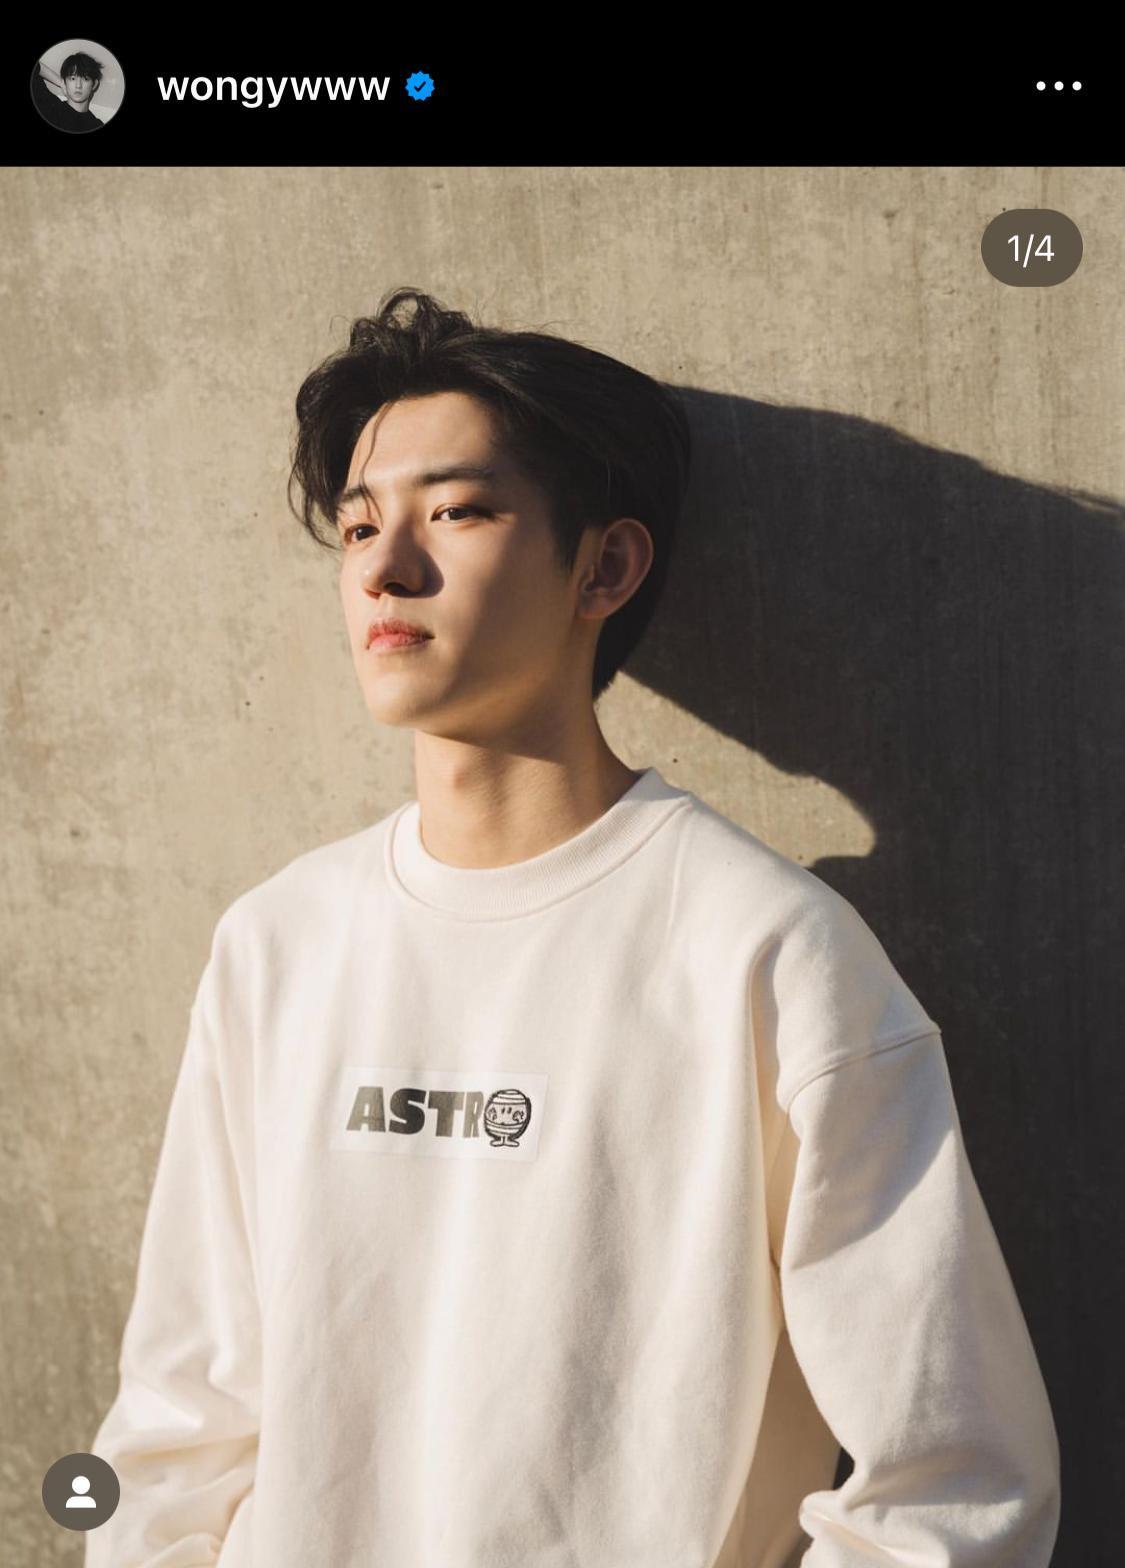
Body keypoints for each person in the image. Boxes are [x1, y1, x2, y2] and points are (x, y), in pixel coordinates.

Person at [86, 288, 1061, 1566]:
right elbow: (179, 1425)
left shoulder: (769, 955)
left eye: (456, 511)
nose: (385, 565)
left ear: (604, 566)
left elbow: (957, 1479)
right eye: (361, 524)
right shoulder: (279, 944)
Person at [32, 52, 106, 133]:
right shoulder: (51, 107)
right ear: (65, 82)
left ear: (94, 84)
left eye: (85, 79)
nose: (78, 85)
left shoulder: (96, 125)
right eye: (73, 78)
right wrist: (62, 84)